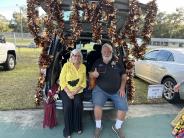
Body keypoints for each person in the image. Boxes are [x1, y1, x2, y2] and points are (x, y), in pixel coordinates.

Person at [90, 43, 128, 138]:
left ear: (112, 52)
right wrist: (93, 75)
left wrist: (122, 87)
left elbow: (124, 75)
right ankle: (98, 127)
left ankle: (117, 127)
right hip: (100, 89)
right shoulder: (97, 62)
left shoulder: (117, 62)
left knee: (123, 107)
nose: (107, 53)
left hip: (117, 90)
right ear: (101, 52)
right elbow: (90, 74)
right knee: (97, 105)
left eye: (109, 51)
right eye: (105, 51)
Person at [59, 49, 86, 138]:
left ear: (80, 57)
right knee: (67, 106)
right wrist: (69, 92)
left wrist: (74, 92)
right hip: (66, 90)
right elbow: (62, 81)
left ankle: (77, 127)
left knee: (78, 104)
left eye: (78, 55)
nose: (76, 57)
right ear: (71, 57)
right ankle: (67, 130)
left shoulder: (83, 67)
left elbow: (83, 83)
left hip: (78, 91)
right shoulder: (66, 66)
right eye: (74, 55)